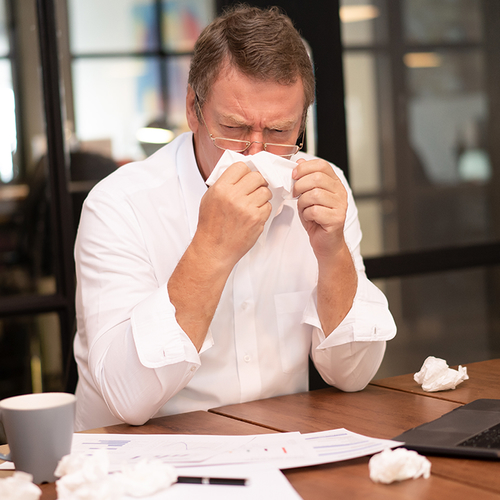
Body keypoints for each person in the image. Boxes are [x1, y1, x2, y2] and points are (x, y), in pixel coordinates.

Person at [73, 5, 396, 431]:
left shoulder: (321, 187)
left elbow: (352, 375)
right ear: (194, 109)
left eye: (280, 132)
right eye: (235, 128)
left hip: (282, 450)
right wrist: (211, 247)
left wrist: (332, 253)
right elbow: (126, 399)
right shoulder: (119, 204)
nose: (257, 152)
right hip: (140, 467)